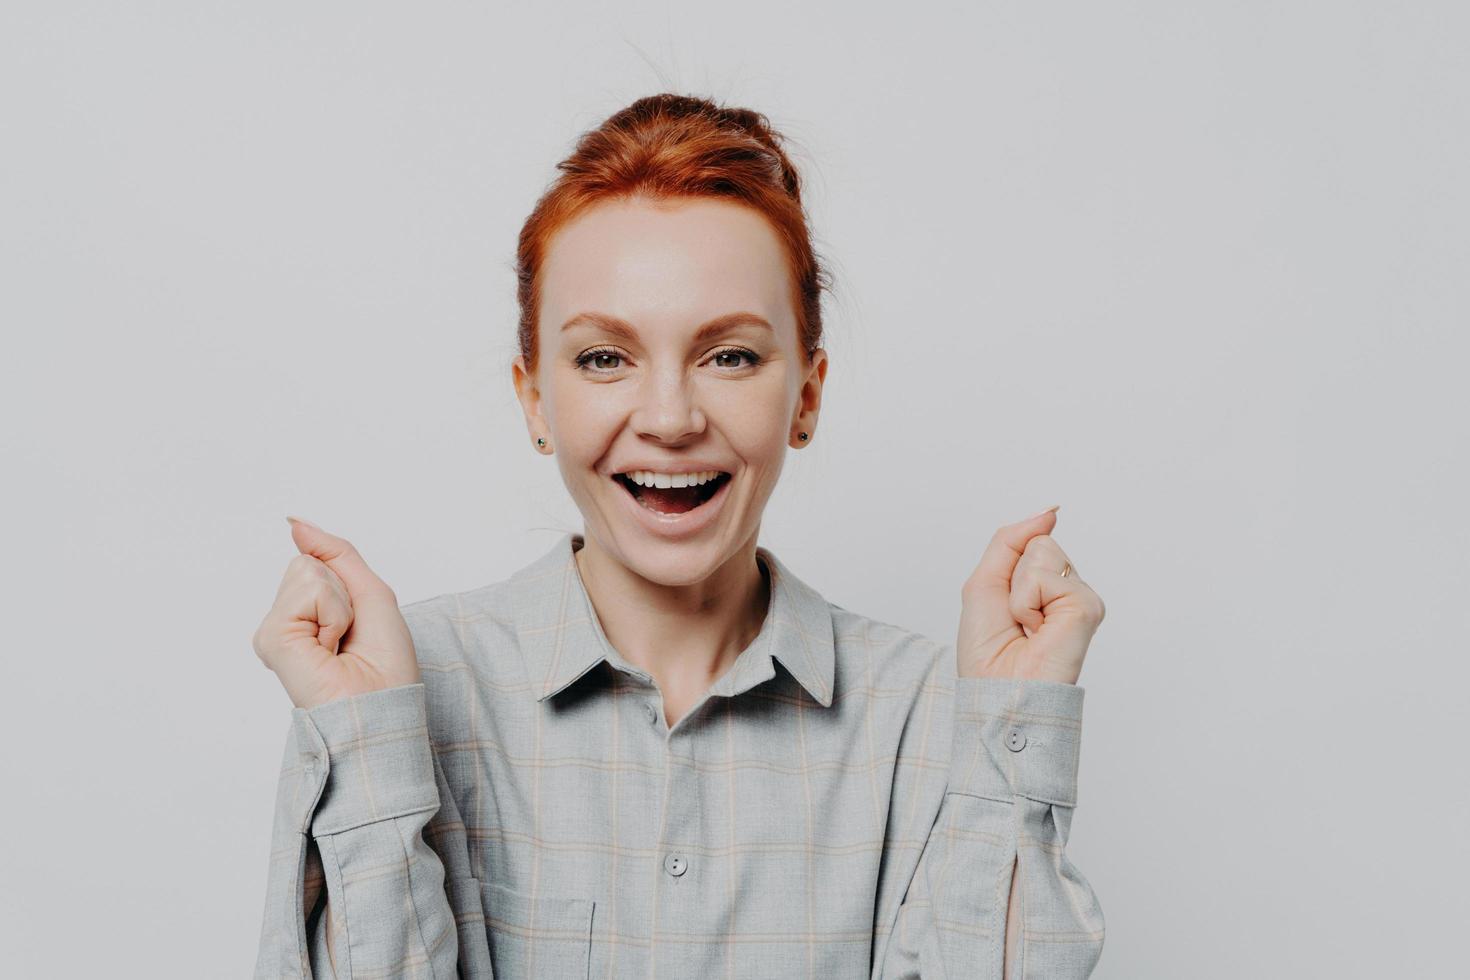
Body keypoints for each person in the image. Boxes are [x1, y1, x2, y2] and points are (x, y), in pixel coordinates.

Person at [251, 93, 1106, 979]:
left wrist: (1013, 731)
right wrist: (368, 746)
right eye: (603, 358)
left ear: (805, 396)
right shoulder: (396, 695)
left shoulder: (934, 715)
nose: (668, 418)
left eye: (729, 354)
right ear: (534, 399)